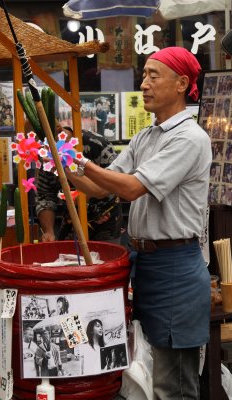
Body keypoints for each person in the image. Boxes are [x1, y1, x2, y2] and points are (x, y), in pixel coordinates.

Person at [66, 47, 212, 399]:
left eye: (153, 76)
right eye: (143, 75)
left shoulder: (189, 138)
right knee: (147, 369)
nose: (143, 84)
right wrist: (61, 163)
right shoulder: (147, 136)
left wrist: (84, 165)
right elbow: (100, 186)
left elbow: (130, 189)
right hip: (144, 262)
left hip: (175, 267)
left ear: (181, 83)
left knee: (172, 385)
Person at [36, 126, 123, 243]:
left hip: (106, 221)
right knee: (68, 259)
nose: (45, 148)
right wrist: (49, 231)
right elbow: (45, 195)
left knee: (106, 258)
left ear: (59, 130)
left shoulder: (97, 144)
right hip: (71, 220)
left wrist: (72, 176)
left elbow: (113, 185)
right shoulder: (47, 153)